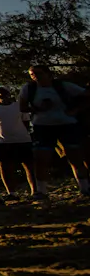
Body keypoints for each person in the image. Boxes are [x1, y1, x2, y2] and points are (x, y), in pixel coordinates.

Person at [19, 64, 89, 199]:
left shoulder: (62, 86)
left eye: (38, 73)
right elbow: (22, 107)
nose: (35, 77)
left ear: (48, 74)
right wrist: (39, 108)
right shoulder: (29, 88)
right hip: (43, 126)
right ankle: (41, 190)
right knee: (41, 159)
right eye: (32, 75)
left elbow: (86, 95)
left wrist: (76, 110)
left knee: (75, 157)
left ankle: (85, 187)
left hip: (67, 124)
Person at [0, 85, 37, 200]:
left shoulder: (18, 106)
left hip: (22, 140)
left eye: (3, 92)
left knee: (29, 166)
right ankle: (11, 193)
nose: (1, 94)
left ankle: (35, 190)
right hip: (2, 142)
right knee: (5, 168)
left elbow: (26, 122)